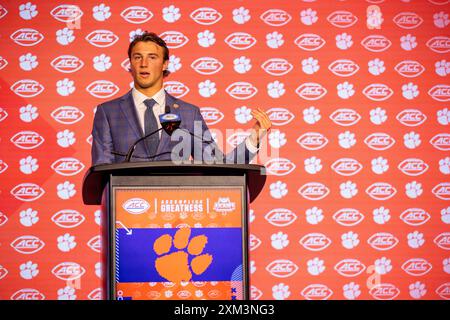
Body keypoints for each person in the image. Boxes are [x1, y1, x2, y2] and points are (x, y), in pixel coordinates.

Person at [91, 31, 271, 165]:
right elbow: (101, 170)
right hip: (125, 208)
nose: (144, 64)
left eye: (152, 57)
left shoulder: (188, 113)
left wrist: (254, 137)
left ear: (165, 64)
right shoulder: (108, 112)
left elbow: (216, 164)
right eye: (137, 57)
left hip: (176, 208)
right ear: (130, 63)